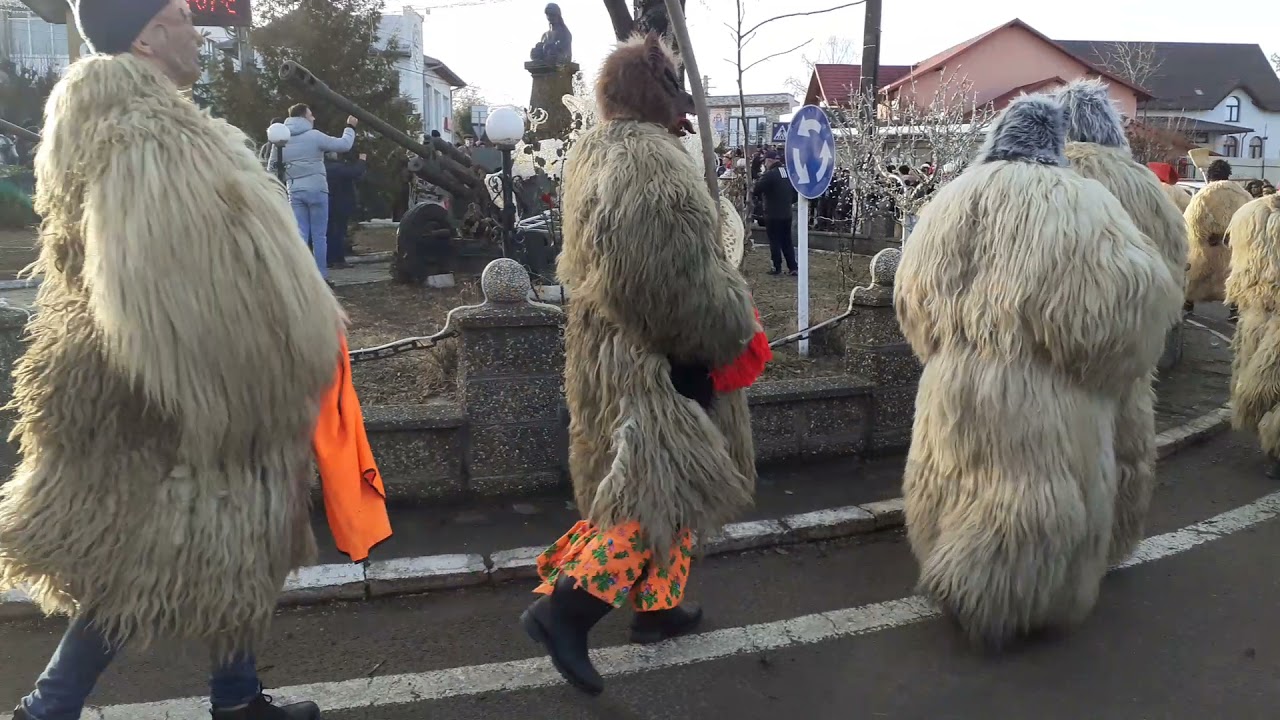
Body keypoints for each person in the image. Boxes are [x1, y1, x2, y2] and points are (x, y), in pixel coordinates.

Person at [0, 0, 345, 717]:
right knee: (151, 553)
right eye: (183, 16)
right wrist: (252, 374)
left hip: (155, 381)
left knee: (226, 533)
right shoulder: (144, 134)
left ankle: (235, 693)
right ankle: (48, 708)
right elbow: (169, 285)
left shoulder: (132, 123)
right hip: (178, 390)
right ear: (150, 35)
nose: (196, 30)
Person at [520, 32, 769, 696]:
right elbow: (666, 279)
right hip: (659, 355)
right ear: (658, 96)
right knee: (659, 488)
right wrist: (729, 324)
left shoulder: (594, 150)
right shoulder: (650, 162)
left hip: (608, 349)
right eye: (678, 94)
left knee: (656, 482)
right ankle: (565, 612)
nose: (686, 110)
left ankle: (659, 608)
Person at [894, 93, 1181, 649]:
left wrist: (944, 344)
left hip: (952, 381)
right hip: (1042, 392)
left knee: (955, 474)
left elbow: (911, 298)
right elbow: (1126, 304)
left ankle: (958, 580)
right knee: (1029, 495)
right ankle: (1010, 608)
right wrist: (1102, 367)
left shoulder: (951, 199)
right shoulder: (1079, 203)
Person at [1055, 79, 1187, 565]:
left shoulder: (1041, 172)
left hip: (1046, 348)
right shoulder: (1143, 185)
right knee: (1121, 448)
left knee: (1048, 457)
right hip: (1123, 353)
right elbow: (1174, 268)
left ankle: (1052, 550)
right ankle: (1107, 547)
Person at [1224, 194, 1280, 478]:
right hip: (1261, 313)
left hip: (1256, 313)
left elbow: (1237, 264)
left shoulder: (1248, 213)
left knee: (1261, 381)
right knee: (1266, 383)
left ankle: (1274, 448)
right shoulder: (1251, 212)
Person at [280, 102, 358, 280]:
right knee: (319, 236)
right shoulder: (314, 136)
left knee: (301, 234)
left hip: (295, 191)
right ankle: (321, 277)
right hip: (317, 190)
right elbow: (344, 145)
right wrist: (349, 127)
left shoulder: (281, 138)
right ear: (302, 117)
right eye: (310, 115)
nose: (313, 118)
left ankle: (301, 276)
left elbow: (272, 166)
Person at [1185, 159, 1251, 319]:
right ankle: (1234, 308)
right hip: (1233, 247)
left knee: (1196, 276)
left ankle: (1187, 304)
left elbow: (1192, 219)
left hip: (1208, 247)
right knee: (1233, 278)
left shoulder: (1204, 194)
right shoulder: (1243, 194)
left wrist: (1203, 236)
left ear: (1210, 175)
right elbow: (1250, 217)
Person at [752, 150, 798, 276]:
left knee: (774, 241)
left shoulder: (769, 175)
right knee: (787, 241)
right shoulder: (787, 173)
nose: (764, 164)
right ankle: (793, 267)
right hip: (787, 213)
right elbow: (795, 193)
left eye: (765, 161)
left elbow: (756, 189)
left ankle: (776, 267)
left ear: (769, 160)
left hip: (772, 214)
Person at [324, 151, 368, 269]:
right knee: (337, 233)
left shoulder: (325, 166)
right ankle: (336, 259)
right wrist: (362, 160)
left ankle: (332, 259)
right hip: (339, 205)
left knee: (331, 232)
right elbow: (355, 172)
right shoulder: (335, 168)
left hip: (331, 204)